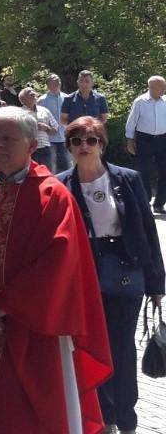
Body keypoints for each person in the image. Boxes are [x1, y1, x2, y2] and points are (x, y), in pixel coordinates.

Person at [0, 106, 111, 434]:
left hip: (35, 332)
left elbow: (58, 262)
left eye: (8, 138)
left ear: (31, 145)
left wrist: (3, 305)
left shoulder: (53, 197)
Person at [57, 116, 165, 434]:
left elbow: (148, 231)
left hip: (126, 274)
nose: (84, 147)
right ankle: (102, 418)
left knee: (121, 348)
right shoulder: (62, 184)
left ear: (102, 144)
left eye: (90, 140)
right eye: (77, 141)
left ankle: (125, 418)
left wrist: (156, 282)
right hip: (84, 278)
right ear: (70, 148)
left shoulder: (128, 179)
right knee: (91, 348)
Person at [125, 75, 166, 214]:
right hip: (145, 139)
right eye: (162, 86)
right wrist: (130, 140)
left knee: (164, 171)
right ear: (152, 87)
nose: (164, 89)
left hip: (163, 139)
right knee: (144, 170)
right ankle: (145, 201)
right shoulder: (140, 101)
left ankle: (159, 203)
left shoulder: (165, 101)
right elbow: (132, 122)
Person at [19, 86, 60, 170]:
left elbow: (55, 128)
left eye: (33, 91)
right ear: (23, 100)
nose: (33, 93)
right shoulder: (18, 113)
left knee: (47, 175)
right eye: (29, 92)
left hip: (44, 149)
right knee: (28, 176)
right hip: (27, 150)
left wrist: (47, 128)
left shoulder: (44, 110)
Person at [38, 74, 69, 172]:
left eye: (58, 80)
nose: (57, 82)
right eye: (54, 80)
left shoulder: (67, 98)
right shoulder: (42, 100)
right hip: (49, 140)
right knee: (51, 168)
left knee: (67, 167)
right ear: (48, 85)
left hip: (65, 138)